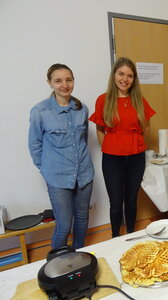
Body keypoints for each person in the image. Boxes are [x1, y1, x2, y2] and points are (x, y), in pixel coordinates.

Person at [28, 64, 94, 249]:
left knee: (82, 218)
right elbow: (35, 146)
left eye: (68, 80)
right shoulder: (40, 111)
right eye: (58, 81)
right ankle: (57, 264)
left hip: (84, 174)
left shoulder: (82, 109)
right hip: (57, 178)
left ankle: (79, 254)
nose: (64, 85)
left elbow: (84, 140)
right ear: (49, 83)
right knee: (64, 225)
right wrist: (47, 171)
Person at [89, 57, 155, 237]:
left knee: (132, 199)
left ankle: (132, 234)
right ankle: (115, 237)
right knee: (116, 202)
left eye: (130, 75)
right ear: (114, 75)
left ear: (134, 79)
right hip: (112, 158)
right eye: (121, 74)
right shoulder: (103, 100)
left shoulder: (139, 100)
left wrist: (135, 144)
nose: (125, 79)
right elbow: (100, 129)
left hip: (136, 157)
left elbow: (146, 127)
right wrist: (110, 147)